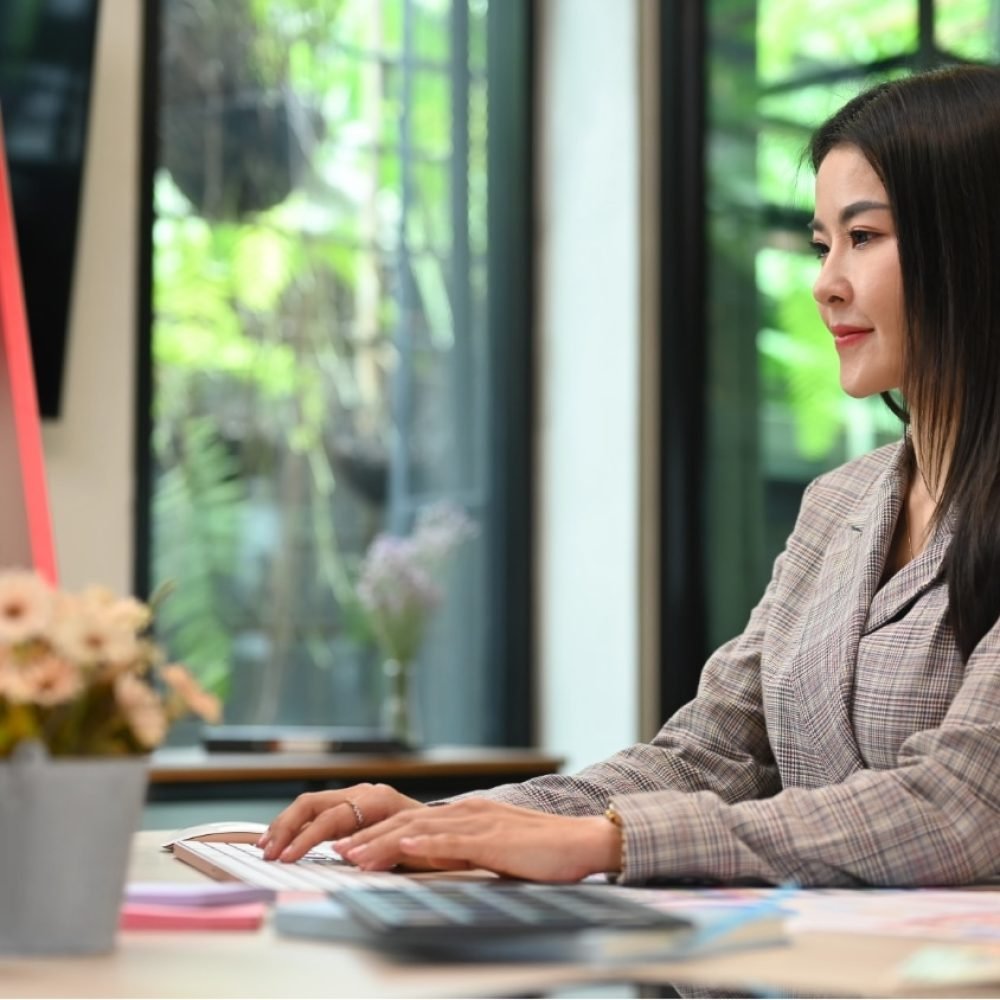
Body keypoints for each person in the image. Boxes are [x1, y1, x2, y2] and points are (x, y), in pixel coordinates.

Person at [260, 66, 1000, 888]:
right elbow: (708, 754)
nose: (826, 283)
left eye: (864, 239)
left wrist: (609, 843)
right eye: (824, 244)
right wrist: (450, 822)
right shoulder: (841, 506)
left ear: (970, 245)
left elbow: (959, 806)